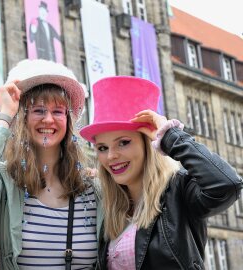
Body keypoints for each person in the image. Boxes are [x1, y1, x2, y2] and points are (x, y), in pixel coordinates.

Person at [79, 76, 243, 270]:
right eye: (102, 147)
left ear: (149, 143)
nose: (111, 156)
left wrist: (170, 137)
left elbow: (227, 184)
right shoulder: (109, 206)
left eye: (123, 142)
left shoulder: (178, 191)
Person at [0, 59, 103, 269]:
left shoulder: (92, 189)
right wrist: (5, 116)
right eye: (38, 110)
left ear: (68, 120)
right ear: (21, 118)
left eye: (58, 111)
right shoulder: (4, 185)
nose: (49, 119)